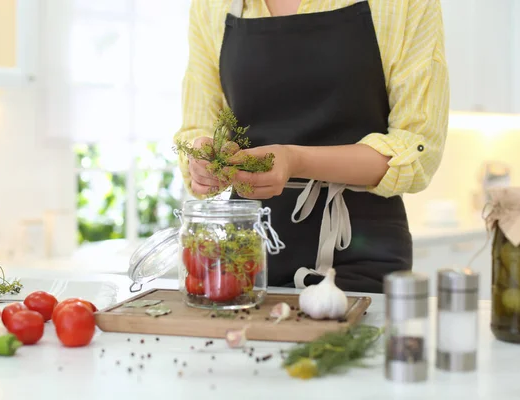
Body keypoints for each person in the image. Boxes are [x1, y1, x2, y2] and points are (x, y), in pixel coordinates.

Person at [173, 0, 450, 293]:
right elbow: (198, 129)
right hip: (247, 255)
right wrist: (203, 157)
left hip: (360, 257)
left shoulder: (404, 4)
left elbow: (417, 149)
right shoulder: (211, 6)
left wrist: (295, 160)